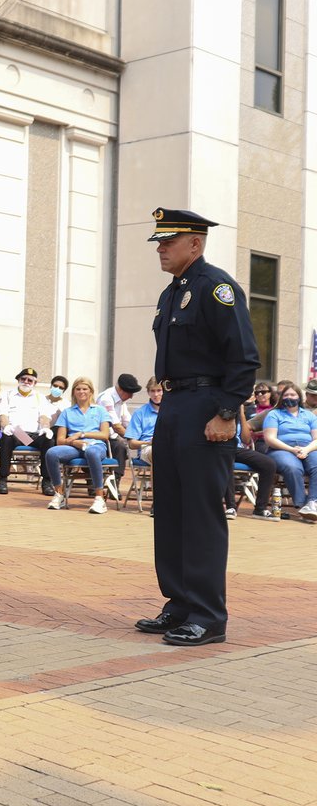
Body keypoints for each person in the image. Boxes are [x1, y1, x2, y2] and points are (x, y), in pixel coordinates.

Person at [137, 207, 259, 647]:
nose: (161, 249)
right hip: (172, 406)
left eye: (169, 241)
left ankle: (208, 615)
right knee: (169, 510)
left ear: (196, 243)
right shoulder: (173, 293)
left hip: (206, 408)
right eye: (159, 242)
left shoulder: (216, 288)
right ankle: (179, 604)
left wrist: (227, 412)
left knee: (202, 514)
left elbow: (243, 357)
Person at [44, 377, 111, 514]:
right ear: (74, 392)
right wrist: (75, 442)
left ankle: (99, 498)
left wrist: (81, 434)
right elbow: (60, 440)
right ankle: (59, 494)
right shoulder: (67, 412)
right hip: (74, 447)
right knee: (51, 453)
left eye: (85, 389)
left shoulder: (100, 410)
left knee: (91, 452)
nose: (81, 392)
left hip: (96, 446)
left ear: (91, 391)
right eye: (78, 389)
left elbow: (105, 435)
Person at [0, 367, 55, 495]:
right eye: (23, 379)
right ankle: (3, 479)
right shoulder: (8, 395)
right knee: (6, 438)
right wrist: (6, 426)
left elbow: (44, 416)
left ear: (35, 383)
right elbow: (3, 415)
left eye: (30, 380)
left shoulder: (40, 397)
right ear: (18, 380)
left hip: (33, 434)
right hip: (16, 432)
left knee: (49, 440)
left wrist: (45, 428)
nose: (26, 382)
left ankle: (47, 481)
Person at [262, 381, 317, 521]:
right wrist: (292, 449)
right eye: (286, 395)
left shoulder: (309, 416)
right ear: (281, 398)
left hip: (308, 447)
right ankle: (302, 506)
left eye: (293, 394)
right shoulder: (274, 414)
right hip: (281, 448)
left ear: (299, 396)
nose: (290, 397)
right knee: (293, 467)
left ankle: (312, 502)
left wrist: (306, 449)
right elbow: (270, 439)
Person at [225, 403, 276, 520]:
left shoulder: (239, 412)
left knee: (268, 464)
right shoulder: (220, 409)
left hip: (237, 449)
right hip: (220, 449)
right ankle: (230, 507)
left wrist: (242, 414)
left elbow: (246, 439)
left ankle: (260, 509)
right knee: (226, 461)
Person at [97, 373, 141, 488]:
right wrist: (132, 438)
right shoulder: (106, 398)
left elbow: (128, 422)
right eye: (130, 392)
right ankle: (114, 482)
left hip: (110, 437)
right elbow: (116, 426)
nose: (131, 396)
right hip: (99, 436)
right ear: (121, 390)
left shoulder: (121, 402)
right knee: (120, 446)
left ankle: (115, 480)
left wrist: (140, 434)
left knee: (121, 444)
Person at [127, 376, 162, 464]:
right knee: (158, 451)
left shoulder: (172, 410)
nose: (156, 394)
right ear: (148, 392)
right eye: (152, 391)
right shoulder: (139, 413)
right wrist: (149, 443)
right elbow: (131, 443)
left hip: (169, 446)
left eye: (159, 390)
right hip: (147, 448)